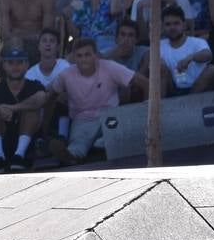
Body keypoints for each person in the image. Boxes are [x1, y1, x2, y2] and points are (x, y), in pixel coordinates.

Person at [48, 39, 145, 167]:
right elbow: (50, 96)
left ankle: (101, 144)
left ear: (96, 56)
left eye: (87, 55)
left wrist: (148, 107)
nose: (83, 59)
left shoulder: (110, 67)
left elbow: (142, 81)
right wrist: (45, 128)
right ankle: (73, 156)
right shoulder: (65, 75)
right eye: (79, 56)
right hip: (82, 118)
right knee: (77, 144)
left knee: (114, 134)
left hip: (110, 115)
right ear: (74, 58)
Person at [0, 46, 47, 173]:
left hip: (28, 143)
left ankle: (19, 156)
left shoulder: (34, 85)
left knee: (32, 111)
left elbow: (41, 99)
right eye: (11, 63)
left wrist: (12, 108)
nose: (15, 67)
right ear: (4, 65)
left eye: (20, 62)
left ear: (27, 65)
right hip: (2, 139)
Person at [159, 6, 214, 95]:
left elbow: (208, 55)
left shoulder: (197, 42)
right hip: (172, 88)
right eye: (168, 24)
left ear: (184, 24)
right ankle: (159, 106)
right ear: (162, 27)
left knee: (212, 70)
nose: (172, 27)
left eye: (176, 23)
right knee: (160, 67)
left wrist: (191, 57)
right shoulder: (159, 45)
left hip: (198, 88)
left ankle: (189, 99)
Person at [25, 27, 71, 139]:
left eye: (52, 41)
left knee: (63, 95)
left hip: (64, 108)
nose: (48, 44)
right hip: (40, 114)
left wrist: (46, 90)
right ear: (38, 47)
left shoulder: (64, 64)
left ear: (58, 47)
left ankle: (62, 137)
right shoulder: (30, 73)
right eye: (44, 41)